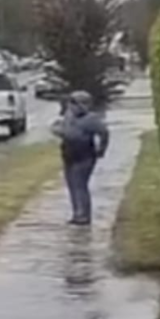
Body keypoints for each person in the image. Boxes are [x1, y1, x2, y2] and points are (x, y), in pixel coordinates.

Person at [51, 91, 110, 225]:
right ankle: (77, 213)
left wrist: (101, 149)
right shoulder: (68, 117)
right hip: (69, 155)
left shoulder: (91, 119)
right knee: (72, 185)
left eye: (75, 103)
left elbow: (104, 133)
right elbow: (64, 131)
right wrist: (58, 130)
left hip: (84, 156)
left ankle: (84, 215)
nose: (72, 107)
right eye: (71, 104)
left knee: (80, 185)